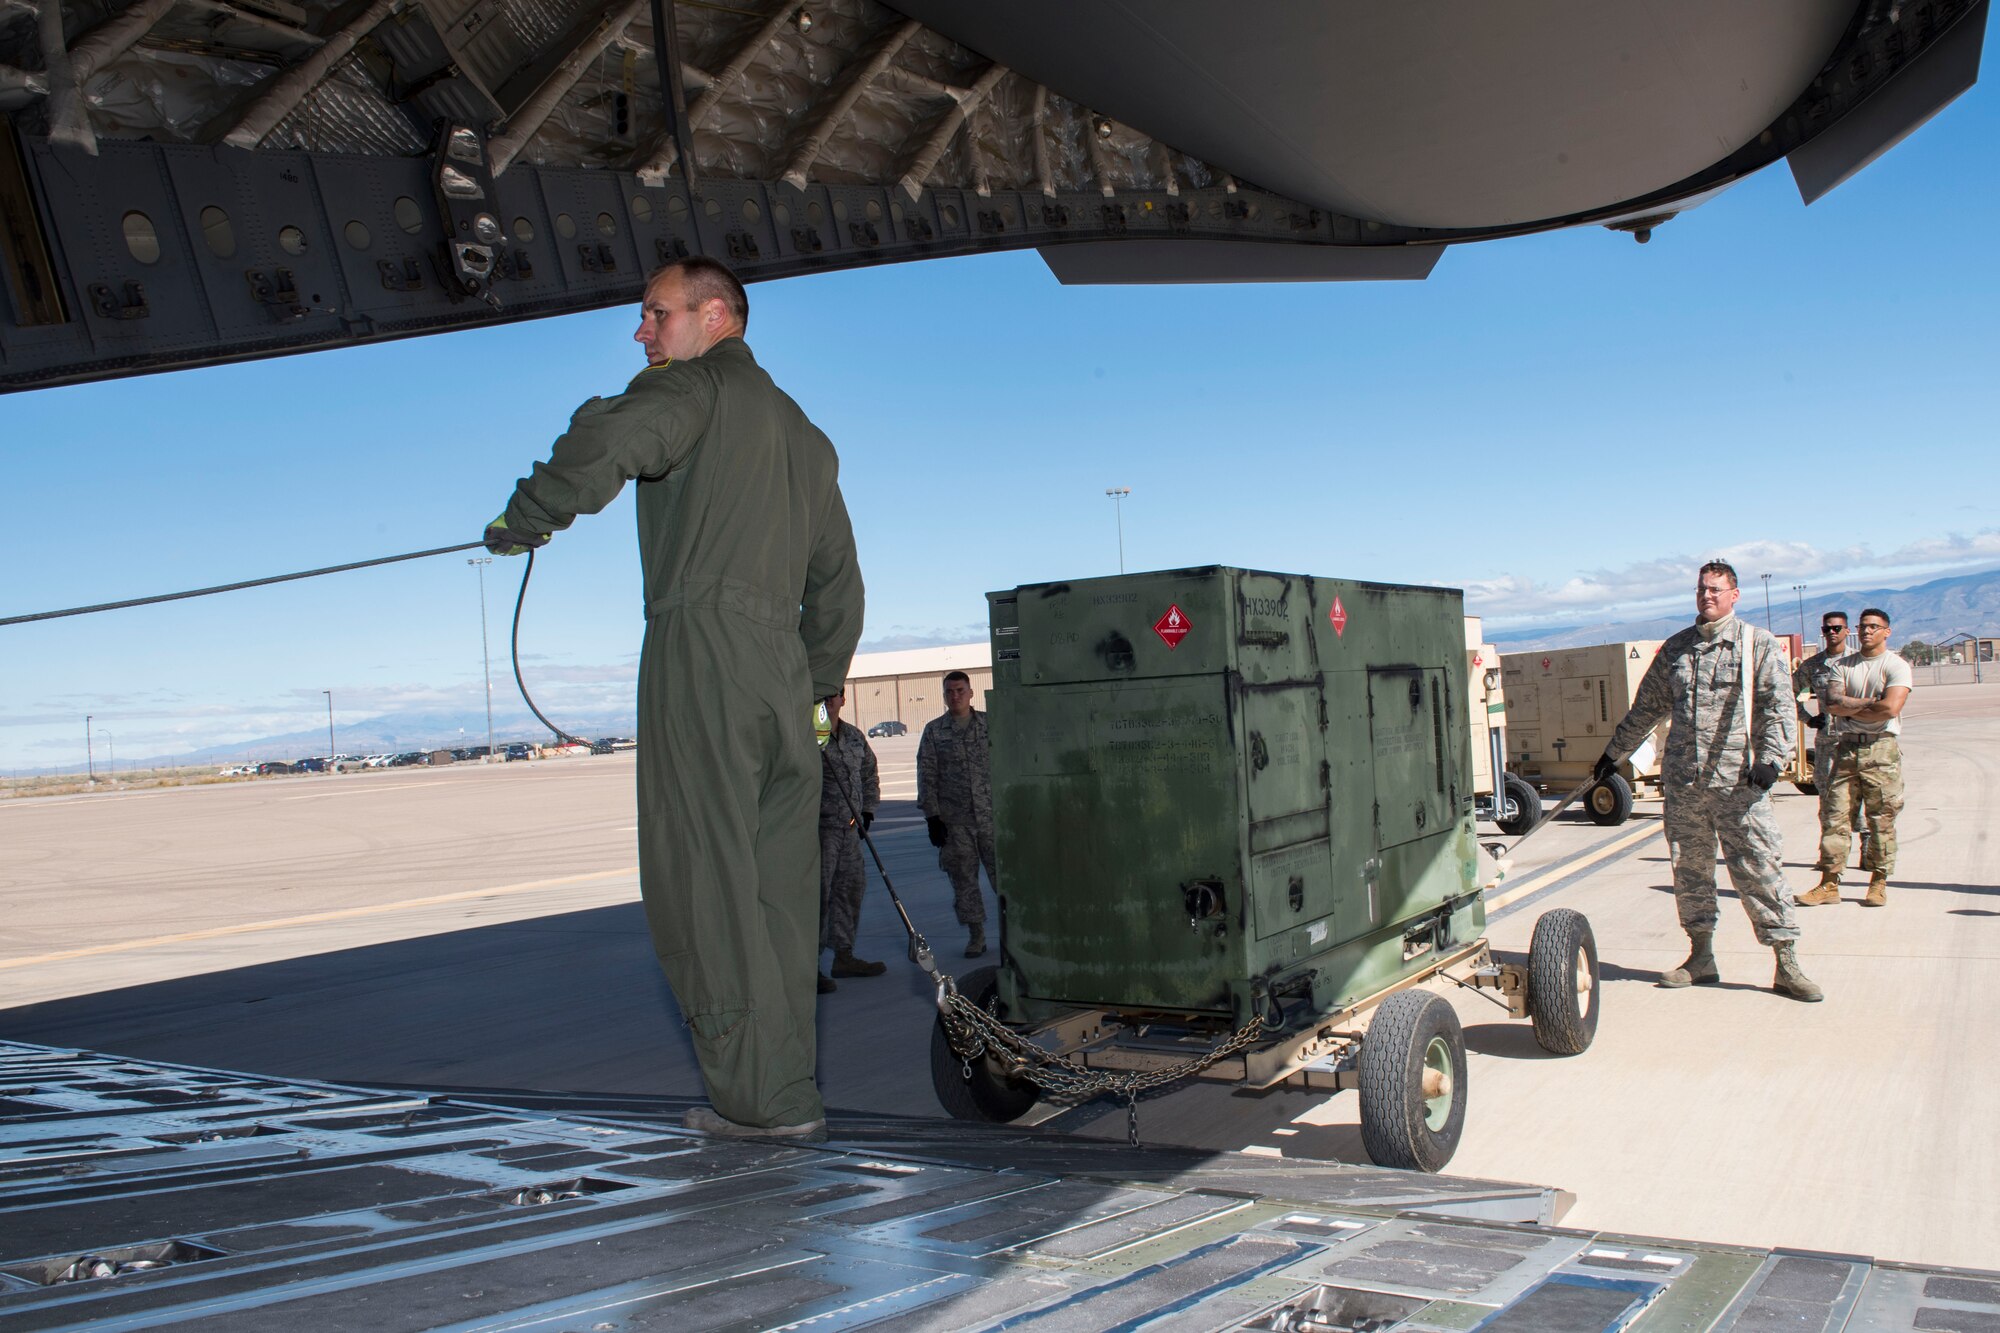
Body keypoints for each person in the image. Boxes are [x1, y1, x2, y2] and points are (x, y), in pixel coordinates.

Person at [484, 256, 864, 1139]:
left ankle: (754, 1102)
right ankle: (790, 1095)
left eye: (657, 313)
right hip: (782, 681)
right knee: (776, 898)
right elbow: (839, 584)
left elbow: (612, 440)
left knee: (704, 886)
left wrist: (526, 515)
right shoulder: (807, 439)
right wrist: (814, 690)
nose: (642, 332)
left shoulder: (693, 392)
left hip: (704, 649)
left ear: (716, 317)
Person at [1594, 560, 1821, 1001]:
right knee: (1690, 872)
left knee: (1760, 870)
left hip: (1742, 786)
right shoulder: (1677, 649)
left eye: (1716, 590)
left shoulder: (1758, 644)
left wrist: (1772, 760)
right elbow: (1646, 708)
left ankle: (1786, 962)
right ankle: (1701, 957)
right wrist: (1612, 755)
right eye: (1701, 590)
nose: (1707, 597)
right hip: (1686, 787)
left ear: (1734, 595)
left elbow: (1779, 707)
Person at [1803, 607, 1912, 907]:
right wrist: (1868, 703)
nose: (1866, 631)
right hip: (1846, 747)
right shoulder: (1843, 666)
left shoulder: (1896, 666)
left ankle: (1878, 881)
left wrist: (1851, 708)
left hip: (1881, 749)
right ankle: (1829, 883)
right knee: (1834, 817)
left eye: (1874, 627)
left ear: (1886, 632)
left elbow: (1890, 708)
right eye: (1863, 626)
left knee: (1881, 819)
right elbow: (1832, 703)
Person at [917, 670, 995, 958]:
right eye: (950, 691)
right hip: (956, 822)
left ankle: (1016, 935)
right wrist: (932, 817)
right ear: (944, 696)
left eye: (961, 690)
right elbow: (927, 774)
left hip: (992, 818)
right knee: (964, 882)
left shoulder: (990, 724)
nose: (955, 696)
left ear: (971, 693)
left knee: (1007, 882)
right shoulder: (935, 731)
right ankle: (977, 936)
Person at [817, 688, 883, 990]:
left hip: (849, 831)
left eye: (836, 694)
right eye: (825, 694)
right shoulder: (809, 736)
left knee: (850, 889)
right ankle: (808, 965)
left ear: (843, 699)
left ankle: (843, 955)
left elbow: (869, 774)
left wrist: (867, 809)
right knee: (818, 896)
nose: (831, 699)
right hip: (819, 832)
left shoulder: (855, 736)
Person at [1792, 611, 1850, 905]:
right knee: (1827, 801)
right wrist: (1806, 718)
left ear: (1846, 630)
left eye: (1837, 628)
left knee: (1859, 799)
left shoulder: (1858, 660)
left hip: (1854, 740)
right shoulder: (1813, 666)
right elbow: (1792, 691)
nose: (1831, 633)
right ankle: (1828, 856)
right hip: (1828, 742)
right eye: (1827, 628)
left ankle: (1867, 849)